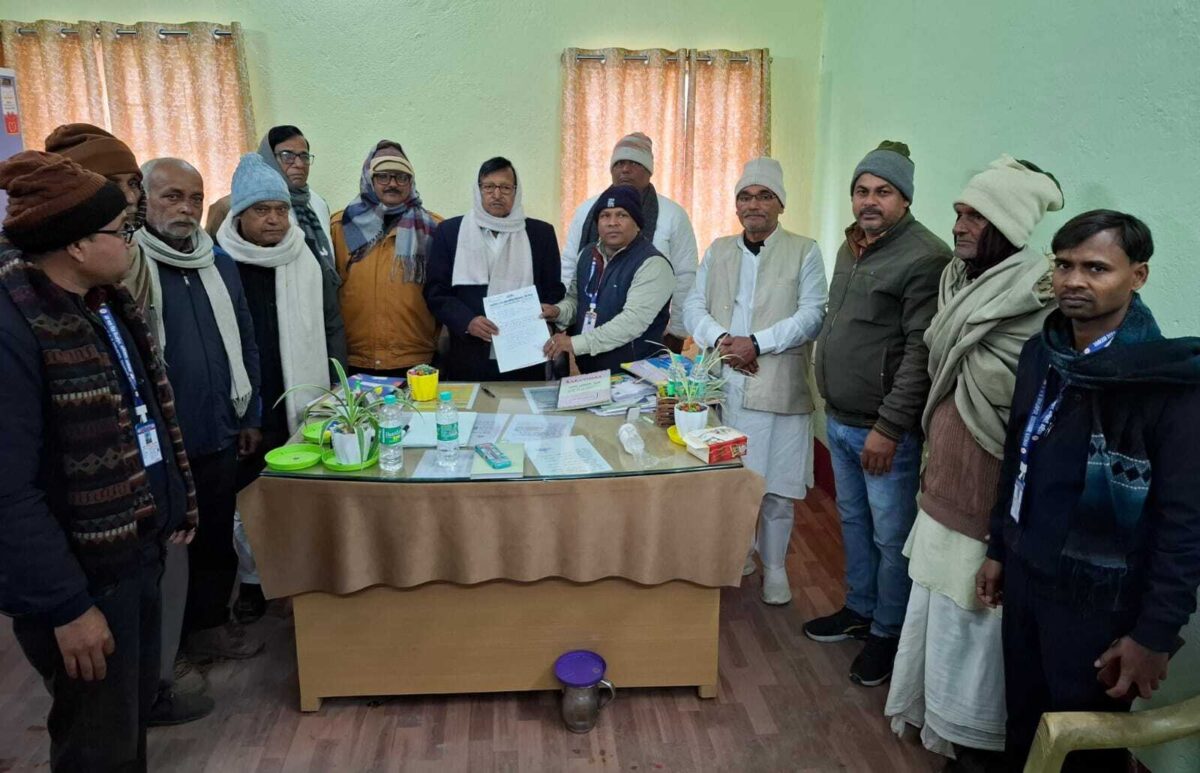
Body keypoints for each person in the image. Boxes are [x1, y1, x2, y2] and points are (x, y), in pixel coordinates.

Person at [977, 210, 1200, 772]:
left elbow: (1185, 523)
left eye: (1096, 268)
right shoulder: (1042, 353)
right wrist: (1000, 547)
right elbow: (1018, 456)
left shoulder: (1167, 383)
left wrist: (1154, 634)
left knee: (1086, 745)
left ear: (1138, 276)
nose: (1074, 280)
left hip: (1099, 603)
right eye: (1064, 265)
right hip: (1027, 574)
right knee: (1024, 721)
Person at [0, 150, 196, 771]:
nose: (131, 242)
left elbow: (144, 414)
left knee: (125, 725)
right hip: (82, 579)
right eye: (122, 231)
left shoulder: (105, 302)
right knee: (96, 743)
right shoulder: (17, 327)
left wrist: (173, 502)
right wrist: (67, 607)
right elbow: (8, 493)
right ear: (78, 245)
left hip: (133, 552)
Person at [882, 156, 1064, 765]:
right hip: (944, 483)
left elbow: (1033, 412)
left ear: (1007, 225)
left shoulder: (1040, 294)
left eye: (976, 217)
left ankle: (975, 743)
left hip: (990, 495)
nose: (959, 225)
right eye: (959, 212)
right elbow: (941, 362)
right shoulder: (956, 283)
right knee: (937, 614)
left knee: (977, 629)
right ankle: (939, 722)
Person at [805, 141, 951, 687]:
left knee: (891, 537)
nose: (870, 201)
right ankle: (860, 610)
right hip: (841, 417)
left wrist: (889, 428)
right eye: (862, 190)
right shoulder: (853, 245)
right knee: (853, 522)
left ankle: (888, 633)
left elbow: (920, 351)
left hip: (882, 431)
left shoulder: (924, 256)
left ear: (904, 199)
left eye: (883, 192)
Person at [137, 158, 265, 690]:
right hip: (161, 440)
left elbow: (245, 338)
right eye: (172, 196)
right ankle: (169, 651)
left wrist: (250, 415)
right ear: (143, 199)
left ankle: (210, 626)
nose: (186, 208)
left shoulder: (218, 262)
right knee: (168, 549)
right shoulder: (132, 265)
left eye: (195, 197)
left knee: (214, 535)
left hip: (220, 427)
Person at [683, 157, 827, 604]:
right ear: (736, 205)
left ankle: (776, 567)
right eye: (745, 196)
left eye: (765, 196)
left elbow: (812, 315)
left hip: (779, 386)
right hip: (726, 386)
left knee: (778, 488)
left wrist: (758, 344)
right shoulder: (718, 250)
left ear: (781, 204)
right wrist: (723, 341)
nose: (754, 205)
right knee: (733, 483)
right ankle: (739, 553)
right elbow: (693, 306)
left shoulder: (805, 251)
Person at [204, 125, 347, 366]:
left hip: (307, 352)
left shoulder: (314, 214)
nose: (298, 163)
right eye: (287, 155)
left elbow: (330, 319)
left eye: (304, 156)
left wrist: (336, 371)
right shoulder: (222, 254)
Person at [424, 156, 564, 380]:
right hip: (469, 352)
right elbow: (436, 291)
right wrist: (467, 322)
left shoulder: (541, 234)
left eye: (505, 187)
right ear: (478, 189)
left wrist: (545, 315)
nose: (497, 194)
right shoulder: (450, 232)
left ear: (516, 191)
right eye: (489, 187)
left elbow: (554, 290)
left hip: (525, 354)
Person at [561, 132, 698, 350]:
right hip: (586, 336)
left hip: (645, 338)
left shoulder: (673, 215)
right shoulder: (587, 210)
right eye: (619, 163)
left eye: (634, 163)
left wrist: (677, 331)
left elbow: (685, 275)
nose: (625, 169)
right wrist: (562, 315)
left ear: (649, 171)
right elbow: (570, 265)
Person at [331, 141, 441, 375]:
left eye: (401, 177)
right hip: (354, 360)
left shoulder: (434, 228)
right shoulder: (340, 227)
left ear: (411, 182)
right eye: (383, 176)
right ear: (369, 179)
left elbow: (444, 293)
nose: (392, 183)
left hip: (417, 359)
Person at [542, 184, 674, 374]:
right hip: (591, 373)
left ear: (637, 223)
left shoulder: (653, 264)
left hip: (635, 377)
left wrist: (574, 343)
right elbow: (576, 301)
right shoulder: (587, 254)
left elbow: (630, 323)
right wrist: (557, 312)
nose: (612, 222)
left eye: (622, 215)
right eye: (605, 215)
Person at [43, 123, 155, 332]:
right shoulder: (41, 270)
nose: (130, 198)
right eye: (111, 184)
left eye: (133, 183)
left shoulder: (134, 251)